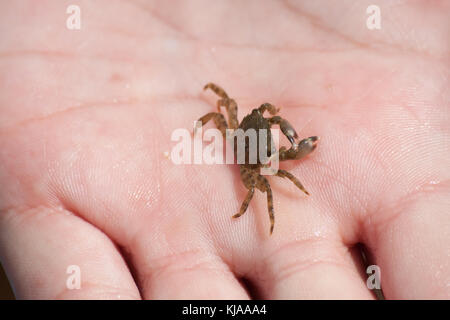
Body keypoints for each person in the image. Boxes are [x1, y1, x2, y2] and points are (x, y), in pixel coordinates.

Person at [0, 1, 448, 299]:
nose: (268, 121)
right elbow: (232, 125)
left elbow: (259, 144)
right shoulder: (249, 142)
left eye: (269, 123)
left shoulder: (258, 140)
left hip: (246, 160)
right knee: (263, 171)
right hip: (244, 160)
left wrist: (283, 148)